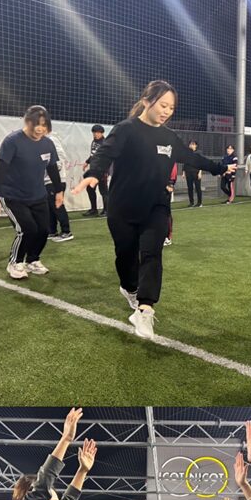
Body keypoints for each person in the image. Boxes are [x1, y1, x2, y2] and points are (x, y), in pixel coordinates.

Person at [72, 81, 234, 340]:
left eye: (171, 107)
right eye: (163, 105)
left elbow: (191, 157)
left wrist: (221, 168)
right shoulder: (126, 129)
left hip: (156, 207)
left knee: (152, 254)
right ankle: (129, 288)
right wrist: (93, 173)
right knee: (126, 257)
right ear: (147, 101)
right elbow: (105, 153)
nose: (167, 111)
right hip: (122, 208)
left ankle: (145, 309)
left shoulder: (169, 137)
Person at [0, 105, 62, 280]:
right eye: (36, 124)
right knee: (27, 229)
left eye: (44, 124)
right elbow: (0, 169)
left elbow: (52, 168)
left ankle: (33, 260)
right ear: (27, 121)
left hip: (38, 195)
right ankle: (15, 262)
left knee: (43, 230)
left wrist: (59, 191)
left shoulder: (48, 143)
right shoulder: (12, 141)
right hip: (12, 196)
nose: (40, 128)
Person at [44, 124, 73, 242]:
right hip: (47, 180)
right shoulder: (44, 140)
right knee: (49, 207)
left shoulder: (52, 139)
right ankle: (52, 231)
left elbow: (60, 156)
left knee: (57, 205)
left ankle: (66, 231)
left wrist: (55, 169)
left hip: (56, 180)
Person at [82, 124, 109, 216]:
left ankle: (106, 210)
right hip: (93, 170)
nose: (95, 134)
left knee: (103, 190)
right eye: (94, 133)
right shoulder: (94, 142)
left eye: (98, 133)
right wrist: (87, 162)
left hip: (102, 170)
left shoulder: (105, 143)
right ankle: (93, 209)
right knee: (90, 188)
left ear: (102, 133)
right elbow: (93, 154)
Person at [183, 141, 203, 207]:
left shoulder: (198, 153)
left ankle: (199, 203)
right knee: (190, 188)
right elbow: (185, 163)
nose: (191, 145)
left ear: (196, 145)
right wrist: (183, 173)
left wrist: (200, 172)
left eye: (193, 144)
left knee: (198, 188)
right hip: (188, 172)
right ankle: (191, 202)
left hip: (196, 172)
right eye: (191, 144)